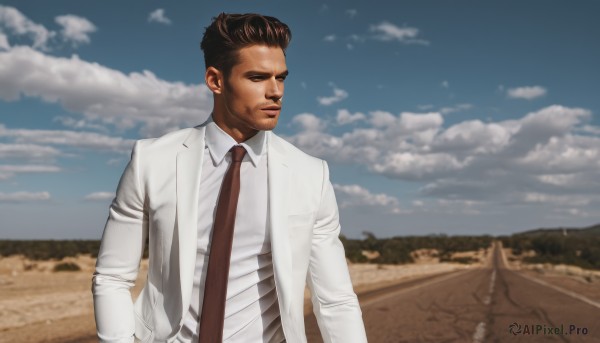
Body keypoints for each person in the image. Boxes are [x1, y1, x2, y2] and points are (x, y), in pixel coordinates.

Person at [92, 12, 367, 343]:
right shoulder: (152, 160)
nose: (275, 91)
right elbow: (112, 277)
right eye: (257, 77)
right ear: (215, 80)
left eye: (281, 78)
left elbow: (335, 300)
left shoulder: (311, 174)